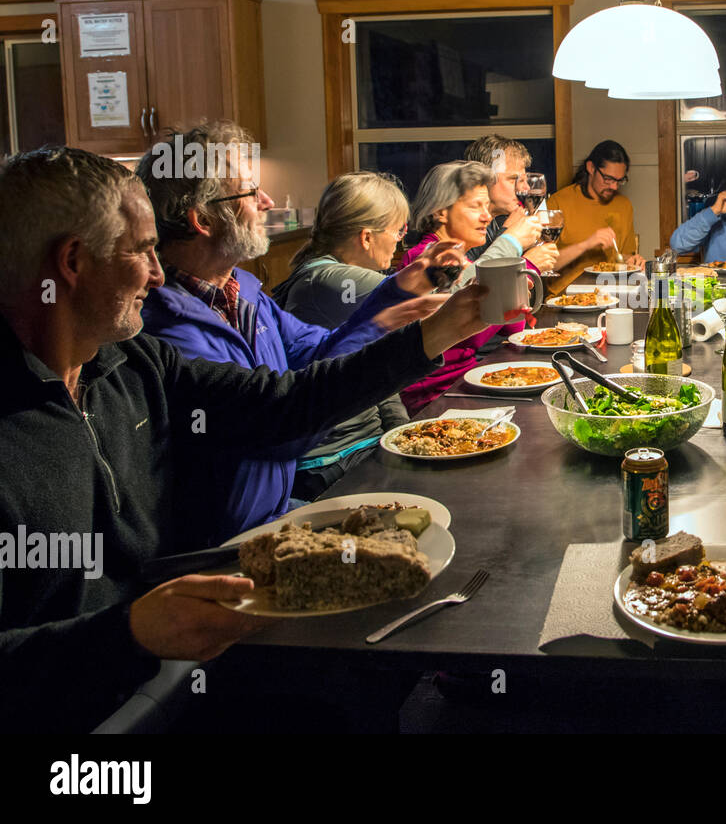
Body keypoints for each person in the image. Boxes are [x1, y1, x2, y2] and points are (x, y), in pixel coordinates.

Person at [0, 146, 493, 732]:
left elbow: (284, 403)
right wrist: (128, 631)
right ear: (73, 262)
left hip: (177, 658)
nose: (157, 275)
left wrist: (434, 330)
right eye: (142, 249)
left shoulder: (130, 361)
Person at [137, 124, 457, 542]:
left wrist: (392, 299)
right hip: (221, 548)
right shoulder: (164, 328)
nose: (267, 202)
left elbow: (319, 353)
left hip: (276, 515)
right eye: (251, 194)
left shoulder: (244, 292)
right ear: (203, 219)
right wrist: (424, 335)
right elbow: (279, 430)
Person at [272, 171, 458, 501]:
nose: (400, 242)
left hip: (361, 445)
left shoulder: (325, 274)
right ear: (366, 237)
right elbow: (446, 301)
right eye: (397, 230)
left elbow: (377, 374)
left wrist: (402, 434)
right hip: (330, 463)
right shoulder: (331, 280)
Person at [400, 160, 535, 414]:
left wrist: (512, 293)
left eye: (487, 206)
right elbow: (457, 332)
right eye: (476, 207)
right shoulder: (423, 259)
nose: (486, 216)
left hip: (467, 385)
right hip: (434, 400)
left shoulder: (466, 260)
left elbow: (513, 327)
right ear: (440, 212)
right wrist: (510, 245)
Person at [547, 140, 645, 293]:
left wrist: (632, 261)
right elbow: (546, 265)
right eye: (608, 179)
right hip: (564, 296)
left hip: (612, 293)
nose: (614, 187)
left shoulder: (624, 205)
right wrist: (586, 244)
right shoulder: (558, 202)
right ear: (591, 167)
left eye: (620, 181)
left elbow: (623, 255)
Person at [462, 134, 557, 271]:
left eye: (524, 180)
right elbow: (472, 283)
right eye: (513, 179)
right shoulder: (461, 227)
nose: (526, 188)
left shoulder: (504, 220)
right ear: (482, 179)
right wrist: (507, 234)